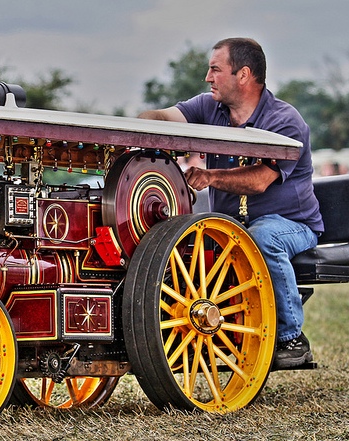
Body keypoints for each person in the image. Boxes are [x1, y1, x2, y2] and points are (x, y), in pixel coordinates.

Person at [139, 37, 323, 369]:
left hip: (292, 224)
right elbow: (167, 117)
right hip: (234, 225)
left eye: (215, 69)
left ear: (243, 75)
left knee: (263, 239)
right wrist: (141, 123)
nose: (208, 78)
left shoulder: (285, 120)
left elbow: (260, 179)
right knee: (185, 245)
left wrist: (210, 177)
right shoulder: (208, 108)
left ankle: (291, 337)